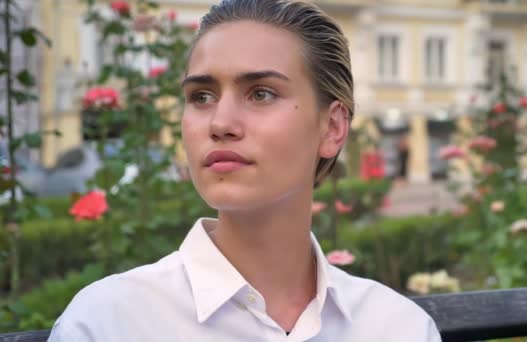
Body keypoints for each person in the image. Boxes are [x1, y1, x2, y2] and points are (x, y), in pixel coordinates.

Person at [48, 0, 441, 340]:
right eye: (201, 96)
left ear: (332, 127)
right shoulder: (108, 323)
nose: (221, 122)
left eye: (261, 93)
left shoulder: (398, 328)